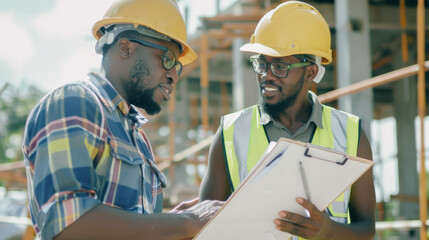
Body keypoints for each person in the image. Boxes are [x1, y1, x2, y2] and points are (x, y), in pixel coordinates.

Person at [22, 0, 223, 239]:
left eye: (177, 66)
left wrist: (170, 222)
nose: (173, 75)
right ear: (126, 48)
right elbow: (68, 225)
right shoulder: (75, 102)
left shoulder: (137, 136)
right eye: (167, 58)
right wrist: (185, 222)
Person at [199, 1, 375, 239]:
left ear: (310, 72)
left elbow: (367, 230)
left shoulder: (351, 134)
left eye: (280, 66)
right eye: (261, 64)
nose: (266, 76)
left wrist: (328, 231)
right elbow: (205, 229)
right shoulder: (230, 133)